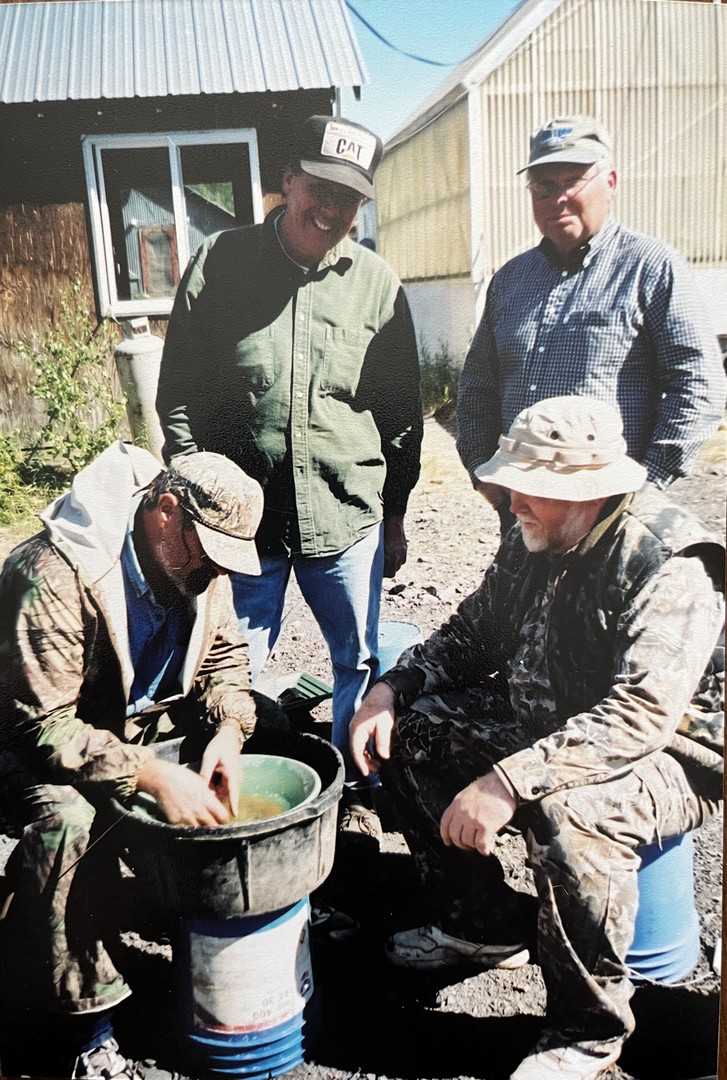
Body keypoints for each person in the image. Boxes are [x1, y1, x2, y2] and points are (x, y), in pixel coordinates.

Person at [350, 396, 724, 1080]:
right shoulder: (535, 533)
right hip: (555, 713)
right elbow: (472, 633)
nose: (509, 499)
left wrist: (506, 781)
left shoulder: (668, 561)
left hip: (674, 753)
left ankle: (588, 1029)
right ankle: (481, 925)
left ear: (584, 491)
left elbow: (640, 713)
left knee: (569, 813)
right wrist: (389, 691)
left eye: (528, 487)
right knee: (416, 731)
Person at [156, 114, 423, 841]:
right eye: (320, 188)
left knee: (357, 661)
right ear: (288, 181)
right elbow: (177, 394)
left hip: (345, 516)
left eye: (349, 198)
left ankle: (356, 788)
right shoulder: (220, 263)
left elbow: (402, 416)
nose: (331, 209)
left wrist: (395, 516)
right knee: (226, 665)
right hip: (242, 532)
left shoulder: (377, 286)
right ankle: (230, 792)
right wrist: (198, 497)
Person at [0, 441, 264, 1080]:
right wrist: (149, 772)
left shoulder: (198, 565)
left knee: (271, 730)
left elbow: (226, 660)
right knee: (68, 824)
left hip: (125, 731)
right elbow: (43, 728)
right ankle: (82, 1025)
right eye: (208, 552)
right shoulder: (52, 572)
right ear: (165, 510)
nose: (215, 571)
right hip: (28, 744)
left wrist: (230, 729)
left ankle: (169, 903)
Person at [456, 114, 726, 534]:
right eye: (544, 186)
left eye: (573, 181)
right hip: (522, 511)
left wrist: (645, 488)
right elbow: (477, 388)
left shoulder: (651, 267)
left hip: (609, 513)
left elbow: (699, 384)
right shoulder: (510, 280)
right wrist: (481, 470)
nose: (558, 198)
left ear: (611, 183)